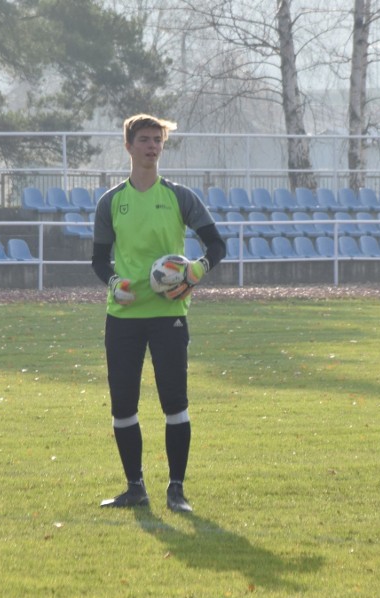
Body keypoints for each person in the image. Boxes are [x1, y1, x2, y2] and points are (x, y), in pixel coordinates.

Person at [91, 114, 226, 512]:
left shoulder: (180, 197)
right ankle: (135, 488)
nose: (152, 147)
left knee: (174, 402)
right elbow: (99, 260)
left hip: (169, 314)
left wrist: (197, 270)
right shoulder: (111, 202)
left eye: (158, 141)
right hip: (124, 316)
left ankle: (176, 490)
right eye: (145, 140)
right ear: (128, 146)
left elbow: (216, 244)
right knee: (123, 405)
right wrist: (114, 284)